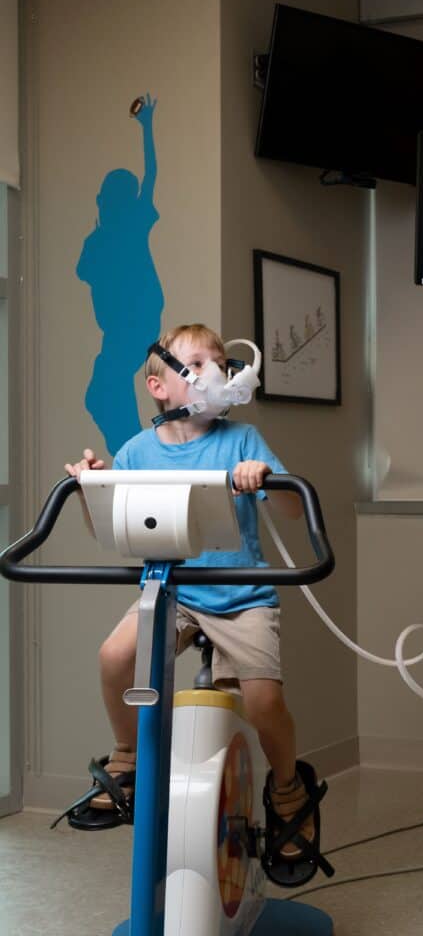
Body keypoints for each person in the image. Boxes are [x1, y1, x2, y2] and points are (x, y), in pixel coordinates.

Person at [60, 322, 332, 888]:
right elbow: (109, 530)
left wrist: (266, 479)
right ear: (162, 386)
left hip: (240, 594)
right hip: (173, 590)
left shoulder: (241, 440)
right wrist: (92, 488)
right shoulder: (136, 451)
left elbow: (286, 512)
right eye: (201, 363)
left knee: (261, 702)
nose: (216, 373)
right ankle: (127, 761)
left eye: (221, 364)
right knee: (115, 658)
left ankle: (287, 787)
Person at [77, 93, 164, 455]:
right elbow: (85, 272)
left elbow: (151, 174)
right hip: (123, 326)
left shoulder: (131, 222)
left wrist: (147, 129)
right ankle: (133, 454)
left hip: (135, 323)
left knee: (102, 392)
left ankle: (134, 455)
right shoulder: (99, 239)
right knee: (104, 394)